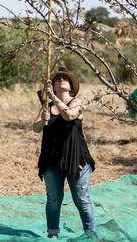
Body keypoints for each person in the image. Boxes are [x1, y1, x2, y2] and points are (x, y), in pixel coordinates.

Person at [33, 70, 95, 239]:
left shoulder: (76, 103)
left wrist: (53, 97)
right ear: (52, 86)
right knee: (53, 199)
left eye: (64, 79)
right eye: (57, 79)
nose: (60, 81)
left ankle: (90, 233)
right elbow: (35, 128)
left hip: (76, 158)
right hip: (51, 159)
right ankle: (53, 233)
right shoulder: (46, 106)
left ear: (71, 88)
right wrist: (41, 120)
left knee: (81, 199)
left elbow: (69, 115)